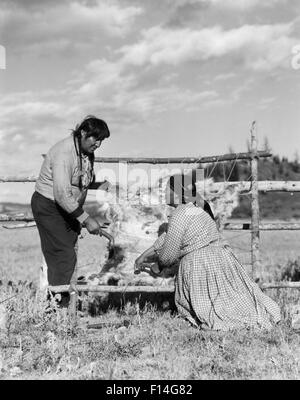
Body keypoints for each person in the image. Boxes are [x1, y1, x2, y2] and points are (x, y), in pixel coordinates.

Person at [135, 174, 281, 331]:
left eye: (167, 190)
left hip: (201, 264)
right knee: (232, 300)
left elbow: (168, 254)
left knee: (211, 311)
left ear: (177, 193)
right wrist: (145, 255)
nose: (164, 193)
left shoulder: (180, 214)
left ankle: (227, 322)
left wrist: (159, 265)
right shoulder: (196, 210)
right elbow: (169, 236)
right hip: (221, 259)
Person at [31, 115, 110, 307]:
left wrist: (97, 185)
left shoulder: (85, 151)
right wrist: (86, 219)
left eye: (101, 140)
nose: (98, 144)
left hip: (66, 209)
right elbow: (61, 194)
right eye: (95, 138)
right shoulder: (63, 153)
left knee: (65, 256)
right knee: (63, 255)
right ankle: (58, 309)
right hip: (50, 206)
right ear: (83, 133)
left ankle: (58, 308)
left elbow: (80, 179)